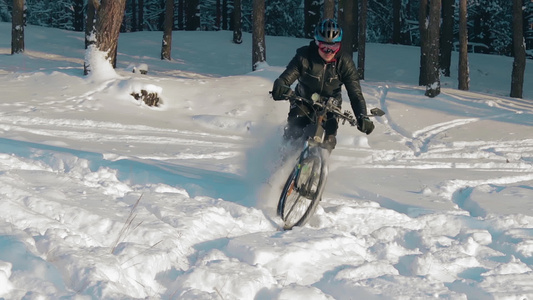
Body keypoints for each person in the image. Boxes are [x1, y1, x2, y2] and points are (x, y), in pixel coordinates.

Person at [271, 18, 374, 151]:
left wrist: (362, 116)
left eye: (334, 47)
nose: (329, 52)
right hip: (303, 100)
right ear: (316, 43)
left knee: (329, 140)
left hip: (331, 105)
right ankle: (281, 162)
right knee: (293, 131)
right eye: (324, 47)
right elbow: (286, 77)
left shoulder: (345, 62)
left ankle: (322, 167)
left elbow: (355, 94)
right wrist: (280, 85)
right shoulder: (304, 56)